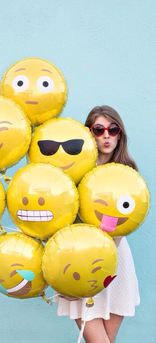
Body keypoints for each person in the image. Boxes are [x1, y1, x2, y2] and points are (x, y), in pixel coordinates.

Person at [56, 105, 140, 343]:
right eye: (99, 129)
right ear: (89, 133)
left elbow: (122, 224)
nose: (106, 135)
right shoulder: (75, 173)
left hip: (115, 259)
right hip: (80, 261)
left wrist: (105, 254)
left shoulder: (127, 172)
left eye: (113, 130)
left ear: (119, 134)